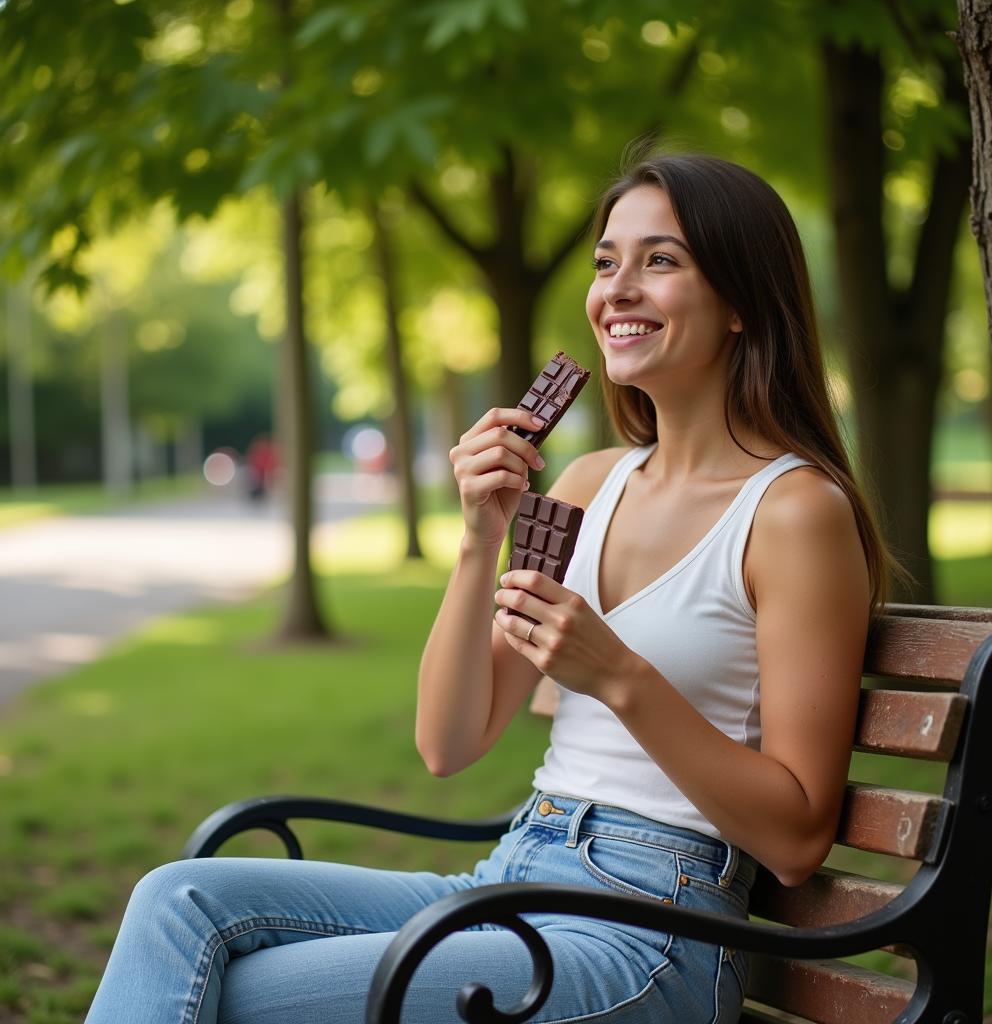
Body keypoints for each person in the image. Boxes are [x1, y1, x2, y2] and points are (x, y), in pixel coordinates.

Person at [84, 153, 897, 1024]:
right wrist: (480, 538)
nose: (617, 288)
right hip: (516, 867)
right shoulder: (586, 484)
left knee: (227, 1001)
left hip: (650, 931)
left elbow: (798, 838)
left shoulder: (793, 513)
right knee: (178, 903)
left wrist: (617, 676)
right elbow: (449, 741)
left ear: (742, 301)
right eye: (605, 262)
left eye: (660, 260)